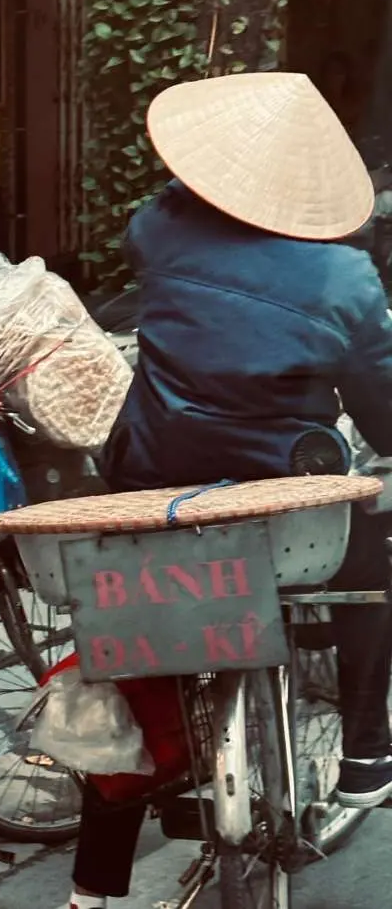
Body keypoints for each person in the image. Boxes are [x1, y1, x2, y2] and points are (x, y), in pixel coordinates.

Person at [68, 71, 392, 909]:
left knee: (134, 659)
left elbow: (168, 214)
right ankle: (366, 755)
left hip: (156, 483)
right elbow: (383, 415)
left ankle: (93, 886)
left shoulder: (160, 231)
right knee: (374, 558)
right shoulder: (345, 280)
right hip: (284, 503)